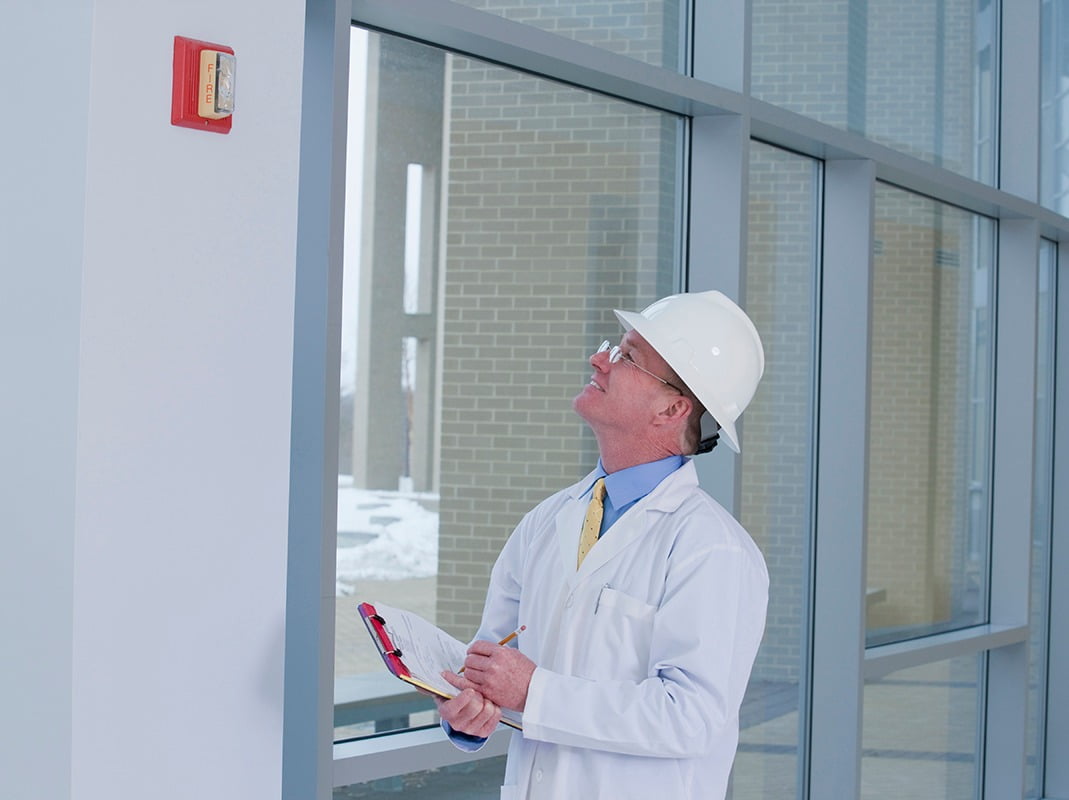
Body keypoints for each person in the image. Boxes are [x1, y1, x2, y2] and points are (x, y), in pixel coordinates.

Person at [437, 290, 769, 800]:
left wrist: (534, 692)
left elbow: (690, 718)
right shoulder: (547, 522)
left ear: (673, 407)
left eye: (627, 356)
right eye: (613, 347)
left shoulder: (712, 549)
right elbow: (494, 664)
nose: (599, 359)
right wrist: (471, 710)